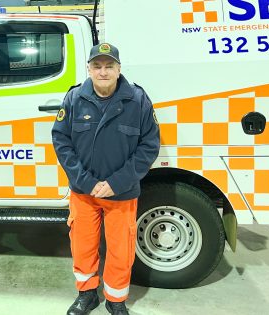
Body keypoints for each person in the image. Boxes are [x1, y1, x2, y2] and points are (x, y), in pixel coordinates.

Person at [52, 43, 160, 315]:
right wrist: (87, 182)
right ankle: (86, 294)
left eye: (109, 66)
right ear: (88, 69)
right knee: (83, 246)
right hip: (84, 192)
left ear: (119, 69)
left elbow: (149, 146)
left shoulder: (137, 100)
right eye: (97, 66)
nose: (103, 72)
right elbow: (61, 141)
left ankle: (115, 299)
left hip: (121, 193)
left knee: (121, 250)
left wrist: (116, 183)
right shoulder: (74, 99)